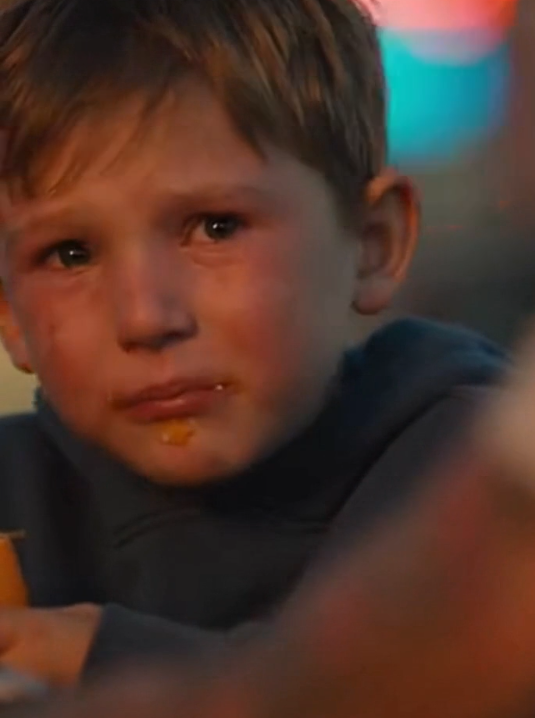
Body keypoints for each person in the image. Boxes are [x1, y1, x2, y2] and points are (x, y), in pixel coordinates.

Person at [0, 0, 506, 692]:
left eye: (215, 227)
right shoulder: (18, 502)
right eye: (70, 254)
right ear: (11, 314)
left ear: (372, 242)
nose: (146, 317)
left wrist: (105, 658)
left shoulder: (469, 479)